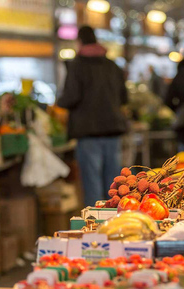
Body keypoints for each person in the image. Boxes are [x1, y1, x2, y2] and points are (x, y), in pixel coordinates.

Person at [57, 25, 128, 207]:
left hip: (88, 133)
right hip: (113, 131)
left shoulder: (77, 65)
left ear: (79, 42)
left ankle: (96, 230)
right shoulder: (112, 66)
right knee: (115, 187)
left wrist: (59, 103)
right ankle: (117, 226)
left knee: (93, 186)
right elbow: (124, 97)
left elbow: (71, 97)